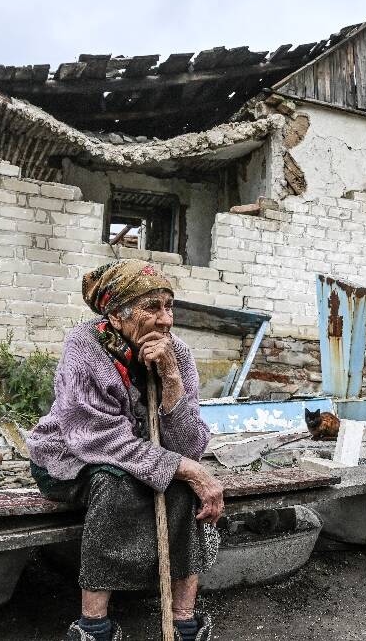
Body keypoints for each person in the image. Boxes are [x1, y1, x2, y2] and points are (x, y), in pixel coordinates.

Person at [27, 260, 224, 641]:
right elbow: (94, 437)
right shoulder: (85, 346)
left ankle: (183, 621)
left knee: (183, 487)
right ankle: (94, 626)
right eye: (153, 307)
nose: (166, 320)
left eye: (170, 306)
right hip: (69, 458)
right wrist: (182, 466)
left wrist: (170, 379)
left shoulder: (177, 354)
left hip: (139, 456)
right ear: (117, 316)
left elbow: (189, 446)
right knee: (117, 483)